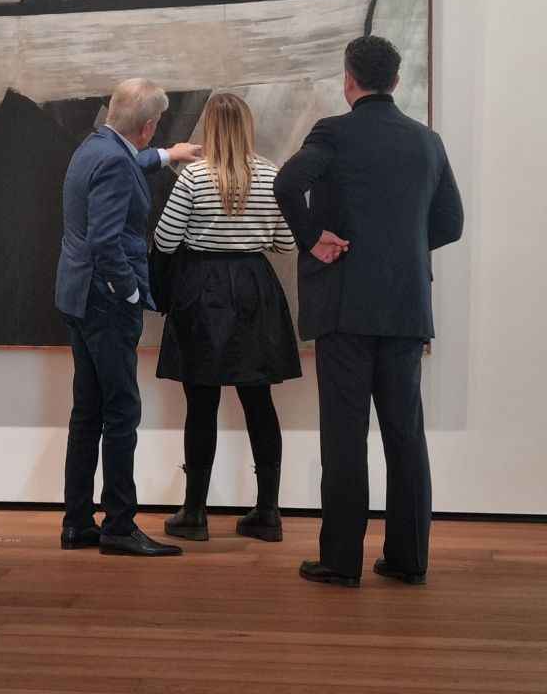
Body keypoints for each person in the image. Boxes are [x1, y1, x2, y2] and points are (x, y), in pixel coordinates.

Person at [274, 35, 464, 588]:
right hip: (406, 306)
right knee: (406, 435)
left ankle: (340, 561)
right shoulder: (427, 141)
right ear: (396, 81)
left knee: (345, 435)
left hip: (346, 307)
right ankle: (409, 559)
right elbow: (450, 224)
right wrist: (401, 247)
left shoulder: (334, 132)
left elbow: (288, 183)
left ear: (348, 80)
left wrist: (313, 238)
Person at [55, 78, 201, 556]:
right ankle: (119, 524)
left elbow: (126, 165)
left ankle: (78, 521)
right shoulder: (115, 160)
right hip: (107, 301)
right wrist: (132, 290)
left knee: (88, 412)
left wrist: (166, 155)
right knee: (121, 411)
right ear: (149, 125)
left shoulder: (94, 145)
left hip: (78, 295)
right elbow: (106, 241)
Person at [152, 92, 301, 542]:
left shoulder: (194, 176)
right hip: (255, 287)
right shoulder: (271, 175)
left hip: (203, 288)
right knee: (259, 401)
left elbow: (165, 240)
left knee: (201, 403)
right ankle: (268, 513)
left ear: (210, 130)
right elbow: (286, 243)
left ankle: (194, 514)